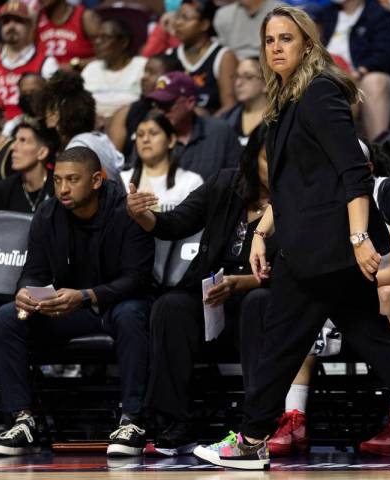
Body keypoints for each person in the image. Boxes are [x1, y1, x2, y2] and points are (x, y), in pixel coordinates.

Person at [190, 6, 390, 470]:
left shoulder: (320, 93)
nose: (276, 47)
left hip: (325, 249)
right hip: (311, 244)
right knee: (375, 338)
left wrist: (360, 236)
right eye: (270, 40)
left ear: (308, 45)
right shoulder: (285, 101)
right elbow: (292, 185)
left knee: (279, 342)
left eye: (286, 38)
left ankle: (252, 437)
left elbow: (352, 171)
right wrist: (261, 233)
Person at [261, 140, 390, 457]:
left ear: (365, 171)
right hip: (362, 297)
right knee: (306, 306)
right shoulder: (324, 208)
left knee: (388, 296)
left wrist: (337, 284)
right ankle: (294, 418)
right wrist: (261, 236)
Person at [0, 146, 154, 457]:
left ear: (96, 180)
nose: (63, 188)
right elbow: (32, 272)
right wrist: (25, 292)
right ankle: (23, 421)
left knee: (132, 314)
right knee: (8, 317)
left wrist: (87, 296)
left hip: (115, 304)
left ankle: (132, 420)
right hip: (66, 307)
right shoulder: (48, 214)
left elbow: (137, 278)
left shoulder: (126, 211)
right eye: (58, 180)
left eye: (72, 180)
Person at [126, 124, 273, 457]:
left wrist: (245, 282)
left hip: (264, 299)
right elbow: (175, 223)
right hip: (216, 297)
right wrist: (143, 216)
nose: (276, 167)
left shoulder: (296, 199)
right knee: (170, 307)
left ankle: (256, 425)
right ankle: (176, 422)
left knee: (258, 302)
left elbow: (298, 267)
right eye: (268, 159)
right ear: (251, 159)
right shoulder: (225, 183)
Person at [312, 0, 390, 141]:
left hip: (359, 77)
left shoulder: (378, 14)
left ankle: (377, 154)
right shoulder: (324, 15)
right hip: (325, 75)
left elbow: (389, 52)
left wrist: (360, 72)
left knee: (375, 81)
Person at [146, 71, 242, 180]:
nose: (161, 111)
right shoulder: (150, 138)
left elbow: (239, 179)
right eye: (157, 105)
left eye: (167, 104)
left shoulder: (220, 133)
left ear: (190, 102)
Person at [41, 70, 125, 185]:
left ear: (57, 113)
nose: (46, 115)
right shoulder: (99, 139)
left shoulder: (77, 150)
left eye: (50, 108)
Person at [0, 1, 59, 122]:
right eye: (6, 22)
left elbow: (53, 106)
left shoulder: (47, 63)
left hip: (31, 128)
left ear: (30, 26)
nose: (11, 26)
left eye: (18, 21)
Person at [120, 111, 203, 212]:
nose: (145, 139)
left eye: (153, 133)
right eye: (140, 135)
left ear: (171, 140)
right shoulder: (123, 180)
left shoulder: (191, 182)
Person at [107, 54, 183, 158]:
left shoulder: (181, 114)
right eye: (145, 72)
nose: (144, 77)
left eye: (152, 72)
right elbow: (112, 161)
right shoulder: (125, 113)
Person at [169, 0, 237, 115]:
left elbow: (230, 106)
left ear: (204, 24)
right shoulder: (170, 54)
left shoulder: (223, 57)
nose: (177, 23)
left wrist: (205, 125)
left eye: (185, 18)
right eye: (177, 16)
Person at [81, 18, 149, 119]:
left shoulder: (142, 66)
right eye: (96, 37)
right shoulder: (92, 68)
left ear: (124, 42)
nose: (98, 42)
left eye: (105, 37)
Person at [0, 119, 58, 214]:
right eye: (15, 140)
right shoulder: (2, 190)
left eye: (23, 141)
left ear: (42, 152)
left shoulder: (59, 187)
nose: (13, 147)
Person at [36, 0, 101, 70]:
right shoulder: (37, 18)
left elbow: (104, 57)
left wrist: (75, 64)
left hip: (80, 76)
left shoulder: (85, 16)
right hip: (46, 78)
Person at [219, 57, 268, 144]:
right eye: (236, 76)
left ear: (266, 83)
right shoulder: (226, 118)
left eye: (248, 77)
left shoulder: (279, 120)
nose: (238, 83)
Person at [212, 0, 281, 60]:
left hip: (268, 64)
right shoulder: (223, 14)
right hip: (233, 65)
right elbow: (221, 51)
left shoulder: (281, 12)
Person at [2, 72, 47, 137]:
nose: (29, 96)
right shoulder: (12, 126)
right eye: (24, 93)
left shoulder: (55, 122)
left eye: (33, 91)